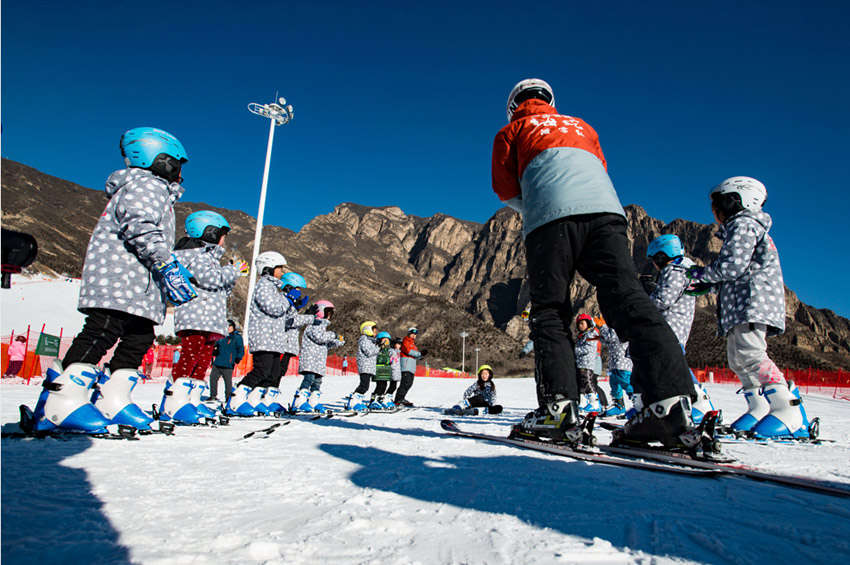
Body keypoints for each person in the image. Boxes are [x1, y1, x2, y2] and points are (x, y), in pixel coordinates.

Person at [492, 79, 696, 446]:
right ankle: (668, 406)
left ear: (513, 106)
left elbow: (505, 188)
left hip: (550, 219)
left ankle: (558, 410)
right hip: (607, 213)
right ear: (551, 102)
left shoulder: (512, 129)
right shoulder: (583, 125)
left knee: (551, 309)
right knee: (629, 298)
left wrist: (541, 202)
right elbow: (600, 166)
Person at [33, 127, 194, 434]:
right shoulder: (147, 184)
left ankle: (114, 399)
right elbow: (141, 226)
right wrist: (166, 262)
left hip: (139, 285)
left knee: (139, 337)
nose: (180, 172)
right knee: (103, 330)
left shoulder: (154, 188)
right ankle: (59, 401)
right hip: (118, 280)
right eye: (177, 163)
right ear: (159, 160)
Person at [687, 177, 809, 439]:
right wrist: (711, 286)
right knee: (738, 359)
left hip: (753, 302)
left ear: (737, 200)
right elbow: (735, 274)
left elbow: (733, 265)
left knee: (751, 354)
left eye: (718, 203)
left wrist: (702, 274)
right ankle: (759, 406)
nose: (715, 211)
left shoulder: (743, 224)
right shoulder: (738, 227)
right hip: (739, 303)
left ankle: (788, 410)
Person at [158, 211, 248, 424]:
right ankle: (173, 402)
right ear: (209, 232)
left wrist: (230, 279)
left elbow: (219, 289)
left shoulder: (209, 258)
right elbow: (209, 278)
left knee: (203, 360)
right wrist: (232, 272)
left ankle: (192, 398)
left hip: (209, 319)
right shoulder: (195, 255)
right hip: (195, 317)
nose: (224, 240)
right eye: (222, 234)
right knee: (191, 356)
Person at [646, 234, 715, 424]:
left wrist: (645, 299)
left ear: (662, 255)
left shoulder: (674, 270)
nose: (654, 263)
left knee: (674, 368)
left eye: (655, 259)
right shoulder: (683, 270)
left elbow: (662, 300)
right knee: (674, 367)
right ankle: (692, 401)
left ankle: (699, 401)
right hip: (676, 328)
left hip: (670, 329)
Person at [228, 250, 291, 416]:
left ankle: (255, 400)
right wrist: (288, 299)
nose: (282, 272)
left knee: (273, 373)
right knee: (261, 370)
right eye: (279, 268)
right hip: (264, 338)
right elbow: (274, 309)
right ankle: (236, 398)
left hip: (274, 340)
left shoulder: (273, 288)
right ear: (268, 268)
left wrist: (288, 299)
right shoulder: (263, 286)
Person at [290, 301, 343, 413]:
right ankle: (300, 401)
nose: (329, 316)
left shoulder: (322, 327)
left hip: (318, 361)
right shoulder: (315, 324)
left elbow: (324, 344)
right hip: (310, 359)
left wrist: (337, 342)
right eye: (328, 313)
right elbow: (320, 338)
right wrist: (333, 335)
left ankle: (312, 401)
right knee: (309, 379)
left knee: (317, 381)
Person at [276, 272, 311, 387]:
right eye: (297, 288)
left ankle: (271, 395)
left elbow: (293, 322)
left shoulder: (290, 303)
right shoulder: (282, 300)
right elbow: (289, 321)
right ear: (288, 286)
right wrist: (309, 318)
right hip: (282, 343)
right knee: (275, 372)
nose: (299, 291)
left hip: (289, 344)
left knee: (280, 371)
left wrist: (300, 310)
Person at [594, 317, 633, 417]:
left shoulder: (621, 328)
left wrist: (602, 326)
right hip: (614, 364)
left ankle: (638, 403)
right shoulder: (613, 330)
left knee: (626, 383)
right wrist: (599, 338)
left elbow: (611, 337)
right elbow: (610, 342)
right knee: (614, 385)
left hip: (622, 364)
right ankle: (619, 406)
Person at [345, 321, 381, 411]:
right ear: (368, 330)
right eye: (374, 331)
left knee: (365, 386)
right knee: (364, 385)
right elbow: (369, 352)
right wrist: (380, 347)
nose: (375, 333)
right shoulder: (364, 339)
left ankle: (358, 401)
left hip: (368, 367)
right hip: (365, 366)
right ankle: (353, 402)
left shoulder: (371, 341)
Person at [209, 320, 244, 403]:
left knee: (227, 381)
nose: (228, 328)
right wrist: (214, 351)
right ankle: (213, 395)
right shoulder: (221, 336)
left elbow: (241, 349)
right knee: (213, 379)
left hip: (228, 364)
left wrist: (238, 357)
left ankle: (228, 397)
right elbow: (215, 345)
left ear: (233, 327)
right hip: (218, 362)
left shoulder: (237, 338)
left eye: (230, 326)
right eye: (227, 326)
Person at [574, 314, 602, 412]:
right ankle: (582, 401)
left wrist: (575, 350)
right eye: (578, 324)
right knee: (580, 383)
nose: (580, 326)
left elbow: (588, 348)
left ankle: (595, 402)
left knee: (588, 382)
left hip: (587, 363)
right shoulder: (582, 336)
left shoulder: (591, 334)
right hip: (580, 363)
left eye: (582, 323)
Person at [395, 327, 427, 407]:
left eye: (415, 334)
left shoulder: (413, 344)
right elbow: (409, 351)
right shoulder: (406, 341)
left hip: (411, 367)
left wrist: (422, 355)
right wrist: (420, 353)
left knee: (408, 384)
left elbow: (415, 355)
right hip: (406, 366)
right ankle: (398, 399)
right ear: (409, 334)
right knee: (405, 383)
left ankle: (402, 398)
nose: (414, 335)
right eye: (412, 334)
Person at [368, 332, 395, 410]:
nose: (386, 342)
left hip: (385, 370)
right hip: (379, 369)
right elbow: (376, 358)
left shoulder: (387, 350)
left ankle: (380, 399)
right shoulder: (377, 349)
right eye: (384, 340)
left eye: (388, 340)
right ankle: (373, 400)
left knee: (384, 385)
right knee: (379, 385)